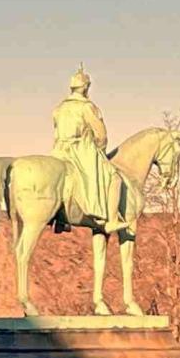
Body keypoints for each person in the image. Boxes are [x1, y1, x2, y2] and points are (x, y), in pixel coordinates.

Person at [51, 66, 126, 233]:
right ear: (85, 87)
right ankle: (112, 220)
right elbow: (101, 134)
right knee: (114, 178)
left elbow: (56, 131)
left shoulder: (59, 108)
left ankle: (60, 219)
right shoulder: (87, 107)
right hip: (81, 150)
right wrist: (100, 149)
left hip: (59, 150)